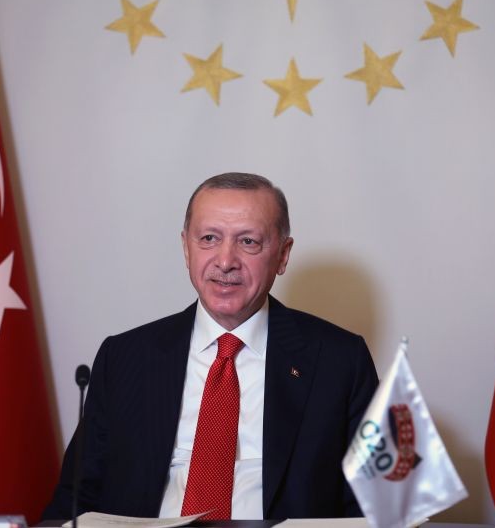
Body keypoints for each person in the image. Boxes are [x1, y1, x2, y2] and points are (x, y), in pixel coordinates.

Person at [43, 172, 378, 520]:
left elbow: (374, 508)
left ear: (282, 255)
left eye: (248, 242)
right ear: (186, 247)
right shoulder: (125, 357)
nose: (225, 260)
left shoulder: (340, 362)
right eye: (209, 238)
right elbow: (74, 502)